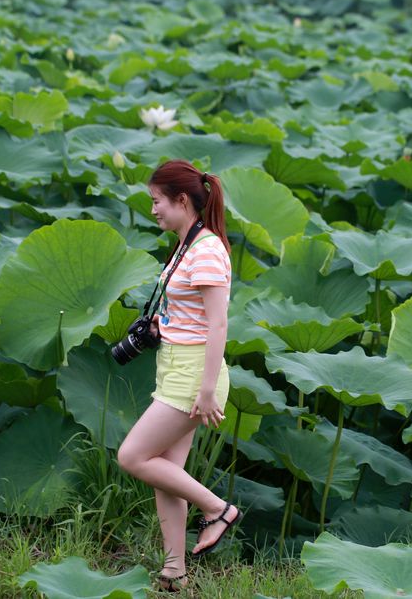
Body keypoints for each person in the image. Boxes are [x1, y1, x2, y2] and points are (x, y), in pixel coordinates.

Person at [117, 159, 242, 593]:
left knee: (133, 457)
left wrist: (207, 390)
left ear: (182, 200)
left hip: (194, 375)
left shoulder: (206, 249)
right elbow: (189, 314)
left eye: (157, 202)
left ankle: (218, 509)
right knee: (166, 472)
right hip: (176, 365)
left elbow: (218, 324)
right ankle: (175, 572)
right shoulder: (187, 246)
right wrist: (159, 328)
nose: (153, 210)